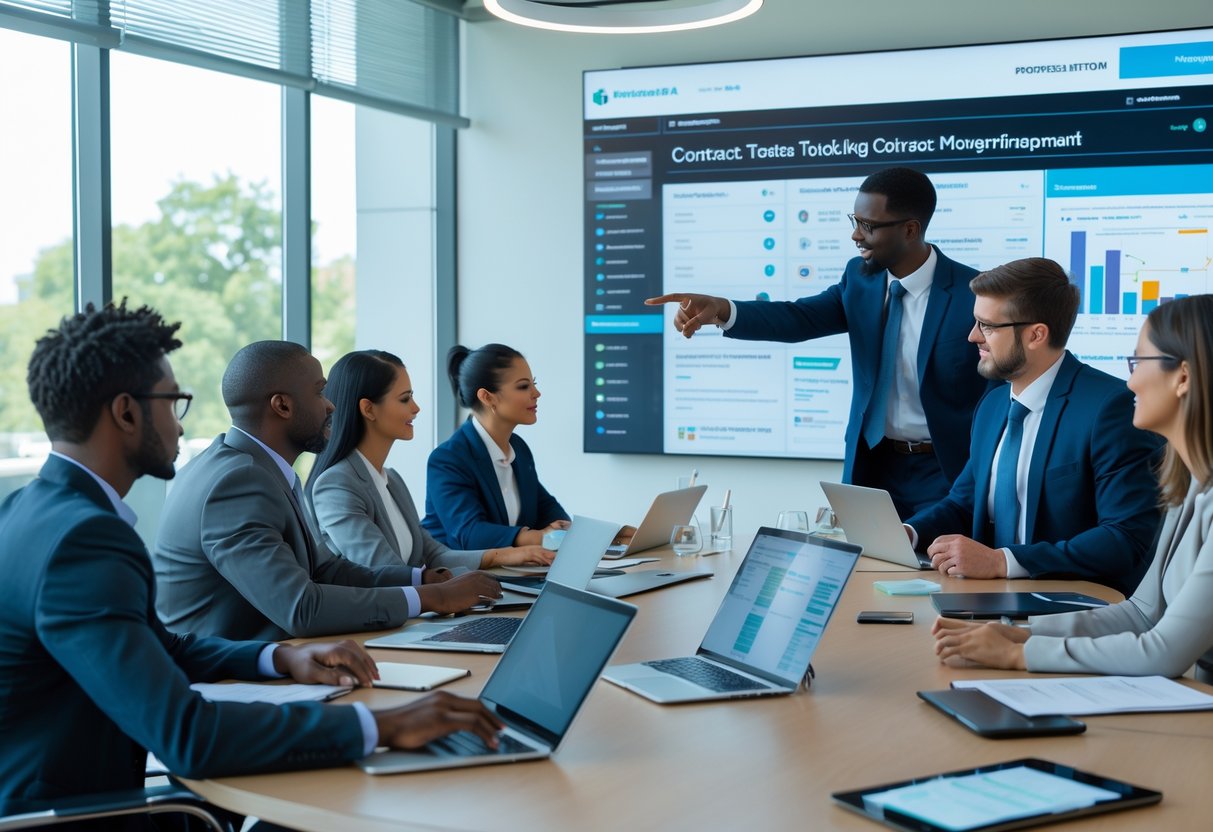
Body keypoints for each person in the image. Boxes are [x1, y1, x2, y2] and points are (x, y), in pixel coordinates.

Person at [0, 302, 502, 820]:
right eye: (174, 402)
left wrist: (277, 658)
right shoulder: (86, 541)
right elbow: (188, 736)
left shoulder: (30, 510)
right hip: (82, 815)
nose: (179, 420)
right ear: (127, 412)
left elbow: (164, 645)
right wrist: (382, 726)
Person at [646, 167, 988, 518]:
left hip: (947, 474)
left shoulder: (973, 295)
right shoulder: (860, 280)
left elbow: (1000, 396)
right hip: (874, 468)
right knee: (870, 571)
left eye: (868, 226)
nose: (856, 235)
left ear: (910, 229)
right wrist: (722, 309)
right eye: (854, 221)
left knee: (940, 571)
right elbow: (799, 318)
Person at [934, 295, 1213, 680]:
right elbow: (1140, 612)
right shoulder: (1192, 484)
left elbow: (1162, 653)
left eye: (1138, 362)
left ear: (1182, 377)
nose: (1130, 381)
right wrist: (1019, 633)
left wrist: (1022, 654)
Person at [153, 341, 502, 642]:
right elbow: (301, 607)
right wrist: (431, 599)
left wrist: (421, 579)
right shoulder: (237, 483)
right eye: (320, 392)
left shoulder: (256, 469)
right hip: (228, 684)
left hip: (276, 659)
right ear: (282, 406)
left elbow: (325, 570)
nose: (331, 405)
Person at [905, 258, 1162, 596]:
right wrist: (907, 533)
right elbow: (964, 502)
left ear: (1036, 335)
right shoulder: (993, 406)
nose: (972, 336)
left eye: (987, 326)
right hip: (988, 600)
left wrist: (1003, 562)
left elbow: (1125, 537)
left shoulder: (1108, 408)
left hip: (1073, 606)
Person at [307, 349, 554, 570]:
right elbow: (385, 571)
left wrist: (506, 556)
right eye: (405, 399)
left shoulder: (392, 480)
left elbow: (433, 554)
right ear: (369, 409)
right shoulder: (336, 485)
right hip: (387, 616)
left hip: (414, 610)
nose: (416, 408)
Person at [421, 343, 573, 549]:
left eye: (533, 383)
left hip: (509, 572)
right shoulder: (448, 459)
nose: (536, 393)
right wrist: (539, 538)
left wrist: (577, 532)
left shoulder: (518, 448)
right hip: (458, 575)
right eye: (523, 386)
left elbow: (546, 508)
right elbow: (469, 535)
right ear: (487, 397)